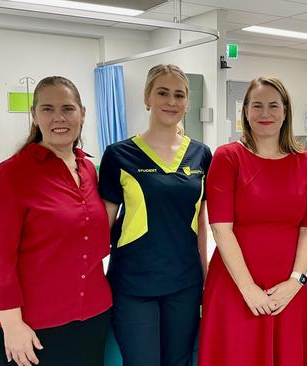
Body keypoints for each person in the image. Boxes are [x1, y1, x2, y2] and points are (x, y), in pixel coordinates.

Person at [0, 76, 112, 366]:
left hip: (91, 316)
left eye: (68, 108)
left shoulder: (88, 169)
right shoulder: (11, 175)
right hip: (32, 324)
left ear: (83, 113)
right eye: (48, 109)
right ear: (35, 116)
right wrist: (12, 326)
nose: (59, 118)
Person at [197, 76, 307, 366]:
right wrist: (248, 288)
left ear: (286, 111)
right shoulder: (228, 158)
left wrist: (295, 281)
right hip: (235, 285)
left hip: (286, 289)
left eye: (273, 106)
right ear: (246, 112)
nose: (265, 114)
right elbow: (221, 228)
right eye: (257, 106)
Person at [98, 64, 211, 366]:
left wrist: (206, 277)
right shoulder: (118, 154)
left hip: (184, 282)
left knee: (180, 361)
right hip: (134, 284)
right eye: (163, 93)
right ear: (147, 98)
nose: (171, 102)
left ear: (187, 102)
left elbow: (201, 224)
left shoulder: (201, 154)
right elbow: (103, 224)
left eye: (179, 95)